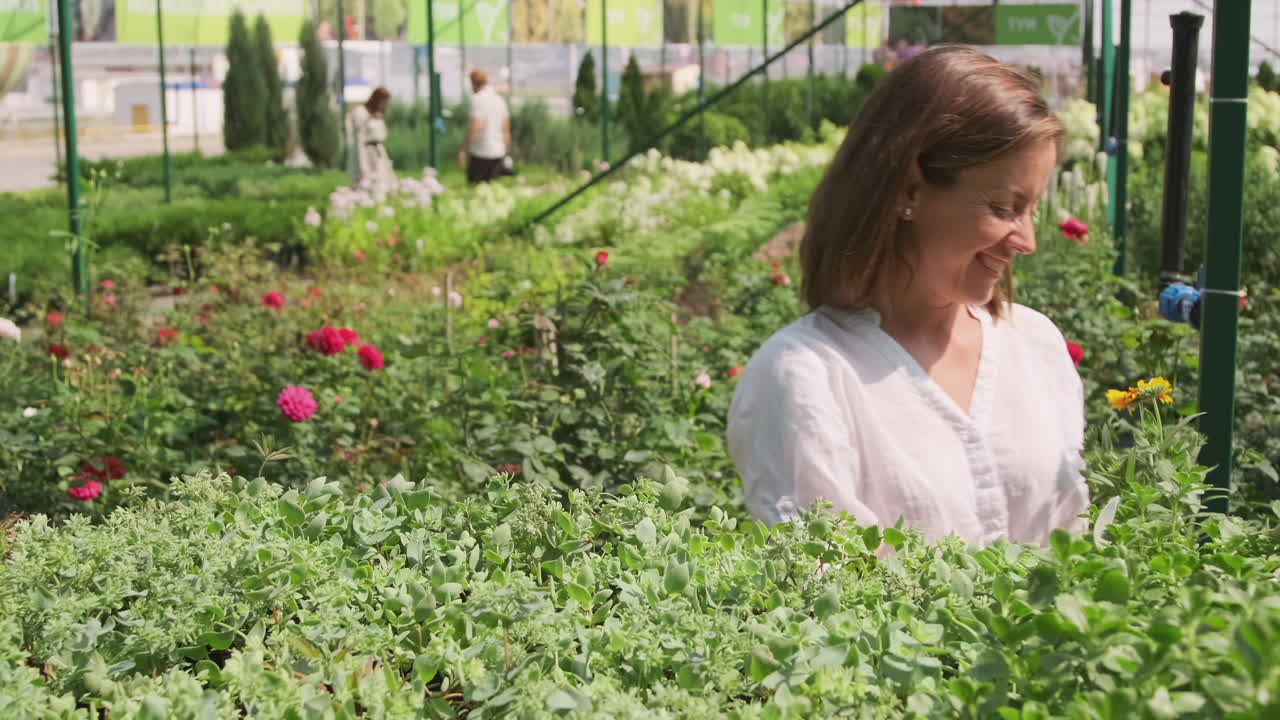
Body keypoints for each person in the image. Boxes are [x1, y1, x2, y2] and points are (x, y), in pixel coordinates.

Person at [727, 47, 1089, 549]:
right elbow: (825, 581)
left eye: (1033, 210)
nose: (1027, 241)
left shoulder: (1033, 344)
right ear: (910, 190)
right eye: (1005, 207)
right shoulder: (808, 377)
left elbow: (1075, 548)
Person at [459, 69, 511, 184]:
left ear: (473, 83)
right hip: (498, 152)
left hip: (481, 153)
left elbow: (475, 127)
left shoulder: (477, 99)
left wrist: (463, 149)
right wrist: (506, 154)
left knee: (476, 189)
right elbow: (506, 131)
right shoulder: (500, 100)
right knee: (493, 189)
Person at [349, 87, 395, 198]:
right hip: (366, 152)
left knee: (384, 185)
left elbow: (381, 135)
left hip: (378, 152)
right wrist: (362, 167)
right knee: (365, 185)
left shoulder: (378, 113)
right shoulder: (361, 112)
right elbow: (359, 140)